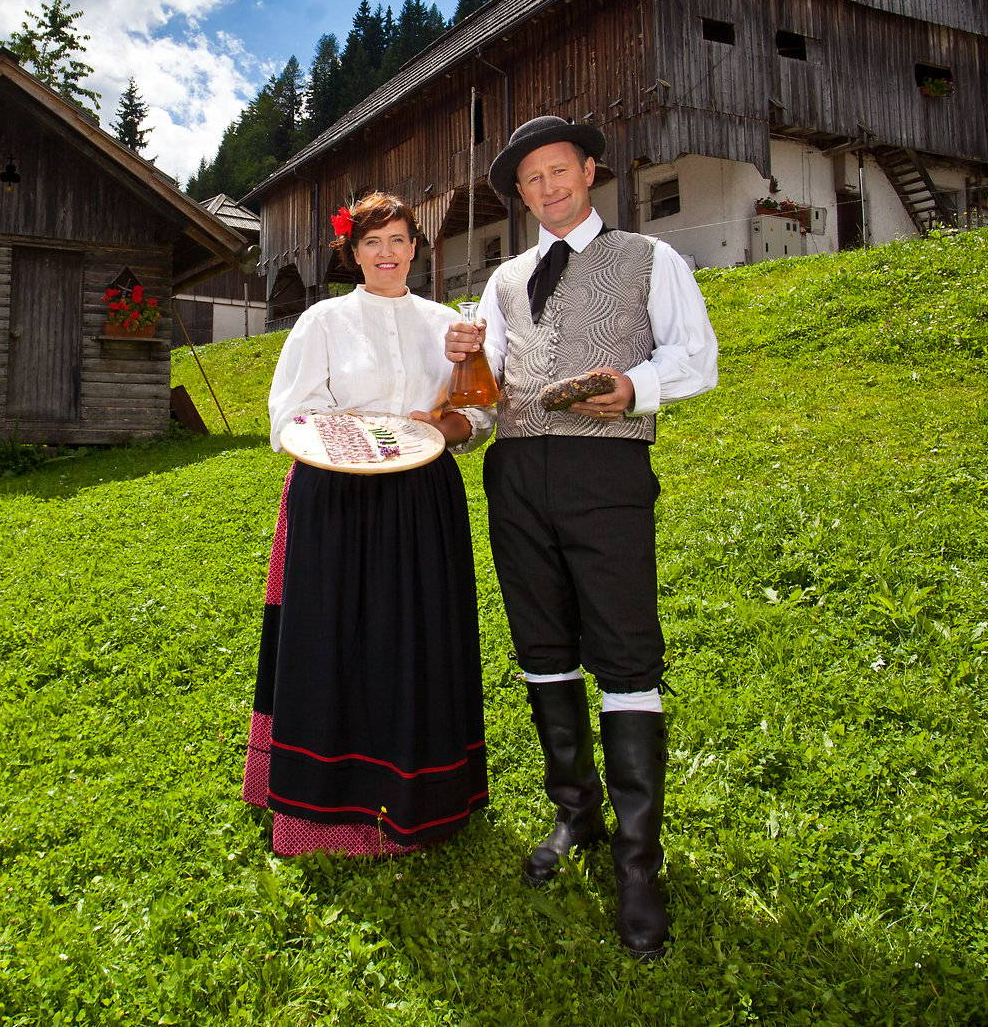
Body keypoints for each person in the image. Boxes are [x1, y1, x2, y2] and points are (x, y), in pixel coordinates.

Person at [443, 115, 718, 958]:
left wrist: (632, 385)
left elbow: (697, 358)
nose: (547, 188)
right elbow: (491, 394)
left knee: (626, 652)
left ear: (589, 170)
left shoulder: (650, 257)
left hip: (607, 477)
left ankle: (640, 863)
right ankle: (577, 812)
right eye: (532, 181)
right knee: (542, 646)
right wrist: (459, 412)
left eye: (559, 171)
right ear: (520, 195)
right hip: (517, 478)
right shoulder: (501, 280)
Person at [241, 191, 489, 857]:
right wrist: (355, 437)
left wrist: (445, 422)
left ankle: (424, 794)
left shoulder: (447, 323)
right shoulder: (321, 321)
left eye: (399, 239)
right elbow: (290, 413)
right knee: (332, 639)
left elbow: (476, 416)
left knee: (416, 639)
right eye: (373, 241)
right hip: (336, 493)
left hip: (421, 496)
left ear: (416, 246)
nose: (387, 253)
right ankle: (321, 810)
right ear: (352, 252)